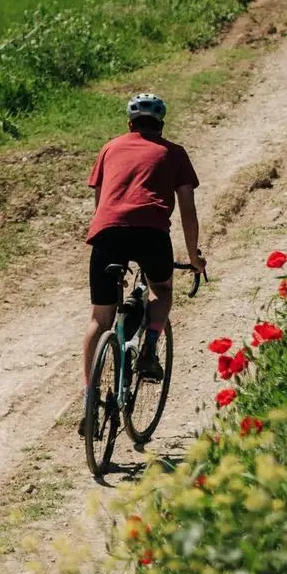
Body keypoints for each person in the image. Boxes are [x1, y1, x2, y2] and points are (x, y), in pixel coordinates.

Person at [82, 91, 205, 432]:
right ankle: (150, 347)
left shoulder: (109, 148)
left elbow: (100, 202)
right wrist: (194, 256)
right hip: (152, 234)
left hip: (108, 235)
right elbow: (187, 211)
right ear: (161, 125)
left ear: (129, 124)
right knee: (162, 290)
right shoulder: (174, 153)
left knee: (100, 317)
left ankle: (89, 401)